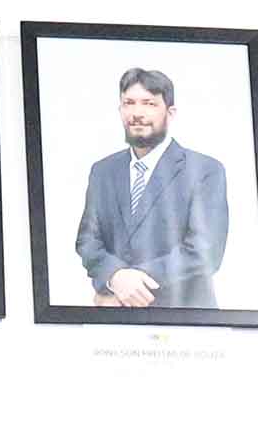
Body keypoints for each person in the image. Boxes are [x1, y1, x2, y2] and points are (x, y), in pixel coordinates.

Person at [73, 65, 230, 310]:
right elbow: (87, 241)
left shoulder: (205, 170)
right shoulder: (103, 171)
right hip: (113, 318)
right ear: (120, 110)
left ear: (170, 112)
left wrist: (128, 283)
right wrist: (115, 276)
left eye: (149, 103)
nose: (137, 113)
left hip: (184, 317)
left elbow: (205, 252)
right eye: (129, 103)